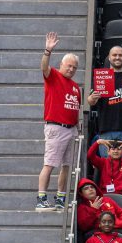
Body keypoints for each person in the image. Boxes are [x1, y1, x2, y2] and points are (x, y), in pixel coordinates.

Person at [37, 31, 81, 211]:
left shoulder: (76, 86)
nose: (70, 69)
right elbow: (44, 68)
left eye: (74, 68)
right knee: (50, 163)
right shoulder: (54, 76)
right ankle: (41, 199)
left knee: (66, 166)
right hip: (56, 126)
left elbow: (75, 108)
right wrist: (47, 51)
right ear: (62, 64)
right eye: (68, 66)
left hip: (71, 129)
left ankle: (61, 199)